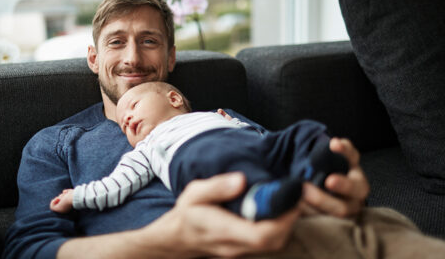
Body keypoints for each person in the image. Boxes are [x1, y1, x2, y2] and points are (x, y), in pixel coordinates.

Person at [3, 0, 370, 259]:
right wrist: (168, 239)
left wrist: (338, 188)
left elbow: (290, 164)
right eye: (116, 42)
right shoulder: (56, 144)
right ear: (94, 59)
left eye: (149, 41)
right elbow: (30, 250)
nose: (133, 57)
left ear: (171, 57)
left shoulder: (219, 120)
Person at [50, 81, 349, 221]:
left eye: (134, 106)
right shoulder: (147, 148)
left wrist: (233, 124)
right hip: (196, 159)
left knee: (304, 130)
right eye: (123, 124)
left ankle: (312, 167)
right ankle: (256, 201)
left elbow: (254, 135)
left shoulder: (214, 115)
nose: (126, 119)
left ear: (174, 98)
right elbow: (115, 186)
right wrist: (76, 196)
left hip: (249, 145)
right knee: (226, 175)